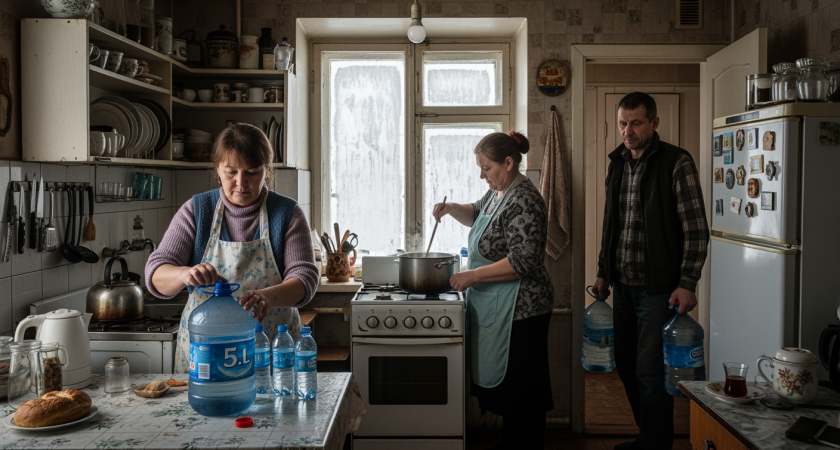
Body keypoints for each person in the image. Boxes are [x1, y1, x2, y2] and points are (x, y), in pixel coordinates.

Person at [145, 123, 320, 373]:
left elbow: (305, 278)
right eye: (231, 172)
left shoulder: (286, 213)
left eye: (252, 172)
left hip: (269, 351)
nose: (241, 183)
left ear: (267, 170)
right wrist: (185, 274)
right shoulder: (197, 211)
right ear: (218, 170)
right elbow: (155, 273)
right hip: (206, 355)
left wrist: (268, 297)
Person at [591, 92, 709, 450]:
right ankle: (649, 437)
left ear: (654, 123)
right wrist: (603, 271)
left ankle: (655, 445)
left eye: (636, 123)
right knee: (626, 365)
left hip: (659, 289)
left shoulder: (676, 161)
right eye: (622, 123)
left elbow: (696, 228)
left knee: (650, 371)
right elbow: (611, 224)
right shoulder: (617, 163)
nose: (627, 131)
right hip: (623, 286)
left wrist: (687, 283)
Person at [434, 131, 554, 449]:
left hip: (523, 309)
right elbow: (477, 213)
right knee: (510, 392)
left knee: (523, 393)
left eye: (486, 168)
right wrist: (450, 208)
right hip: (500, 306)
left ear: (509, 163)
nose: (482, 175)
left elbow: (524, 260)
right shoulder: (498, 193)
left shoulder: (524, 199)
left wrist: (473, 276)